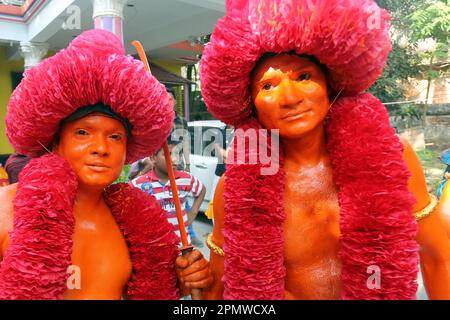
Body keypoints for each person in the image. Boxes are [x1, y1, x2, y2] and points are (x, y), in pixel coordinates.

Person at [200, 0, 450, 300]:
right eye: (268, 86)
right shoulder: (235, 192)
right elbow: (218, 289)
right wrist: (196, 280)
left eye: (303, 77)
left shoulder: (393, 161)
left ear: (329, 85)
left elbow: (439, 257)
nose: (289, 98)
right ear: (250, 104)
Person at [0, 29, 212, 300]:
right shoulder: (6, 210)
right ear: (55, 142)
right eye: (83, 133)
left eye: (114, 137)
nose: (101, 148)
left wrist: (182, 281)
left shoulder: (133, 224)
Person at [130, 136, 206, 247]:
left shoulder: (186, 179)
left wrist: (193, 212)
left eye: (177, 154)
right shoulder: (139, 184)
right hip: (155, 247)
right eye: (168, 154)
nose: (175, 159)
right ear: (153, 158)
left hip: (182, 246)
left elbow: (201, 190)